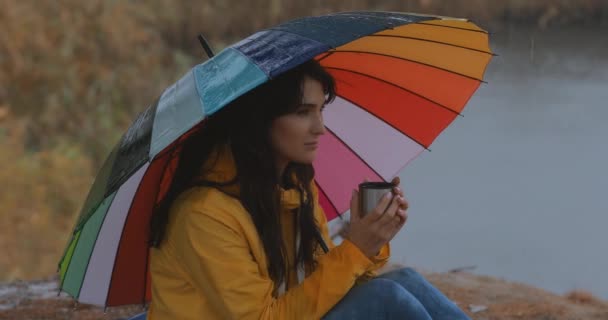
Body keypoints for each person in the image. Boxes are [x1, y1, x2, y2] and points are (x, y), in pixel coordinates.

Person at [143, 60, 471, 319]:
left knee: (406, 280)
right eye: (303, 113)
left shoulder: (294, 189)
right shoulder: (204, 215)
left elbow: (319, 289)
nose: (320, 128)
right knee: (386, 298)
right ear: (259, 122)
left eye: (320, 110)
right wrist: (355, 249)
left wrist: (370, 240)